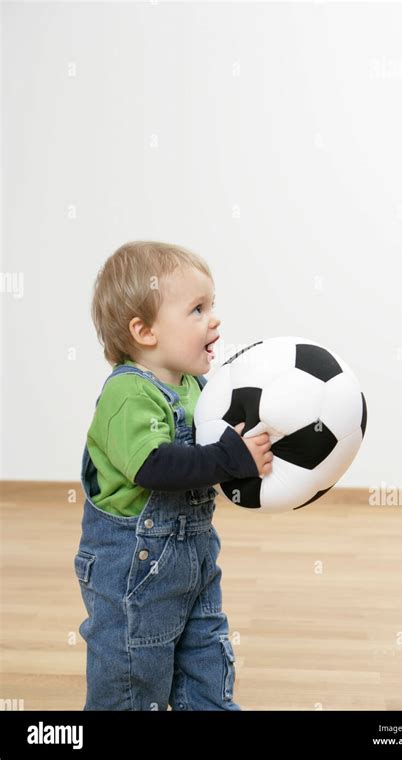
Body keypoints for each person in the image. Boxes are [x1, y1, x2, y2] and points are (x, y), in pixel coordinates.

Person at [75, 240, 273, 710]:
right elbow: (154, 466)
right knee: (133, 674)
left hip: (196, 562)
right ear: (144, 331)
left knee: (206, 658)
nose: (214, 320)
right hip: (132, 572)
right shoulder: (127, 394)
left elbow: (217, 451)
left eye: (213, 306)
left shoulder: (195, 388)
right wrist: (231, 457)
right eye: (197, 309)